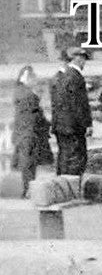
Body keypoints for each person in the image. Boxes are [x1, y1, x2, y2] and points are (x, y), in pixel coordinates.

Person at [50, 47, 92, 178]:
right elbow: (78, 104)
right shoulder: (75, 76)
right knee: (77, 159)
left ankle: (62, 187)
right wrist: (87, 125)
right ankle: (73, 190)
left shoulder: (59, 76)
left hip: (60, 125)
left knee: (63, 158)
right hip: (73, 127)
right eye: (83, 59)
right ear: (77, 58)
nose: (84, 63)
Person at [12, 65, 52, 197]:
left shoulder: (19, 92)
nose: (35, 80)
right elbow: (35, 117)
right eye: (33, 77)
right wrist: (48, 124)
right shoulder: (29, 95)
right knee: (29, 164)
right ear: (28, 78)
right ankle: (28, 191)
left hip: (21, 133)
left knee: (26, 164)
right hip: (29, 134)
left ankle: (27, 189)